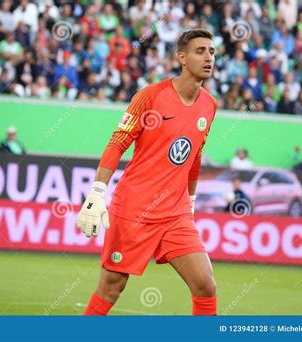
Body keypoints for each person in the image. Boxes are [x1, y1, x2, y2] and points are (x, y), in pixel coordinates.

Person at [77, 29, 218, 316]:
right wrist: (97, 193)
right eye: (200, 51)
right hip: (134, 208)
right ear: (182, 57)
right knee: (111, 287)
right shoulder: (151, 97)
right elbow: (118, 143)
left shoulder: (209, 105)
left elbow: (194, 155)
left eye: (212, 52)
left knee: (205, 285)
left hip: (175, 213)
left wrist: (190, 200)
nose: (208, 58)